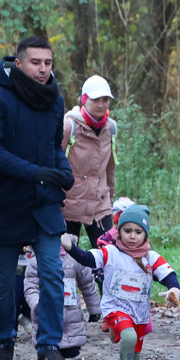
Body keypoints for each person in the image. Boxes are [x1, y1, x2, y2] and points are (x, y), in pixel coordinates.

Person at [0, 35, 75, 360]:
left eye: (48, 63)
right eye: (36, 63)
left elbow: (53, 146)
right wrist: (36, 173)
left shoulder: (54, 100)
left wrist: (63, 169)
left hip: (44, 200)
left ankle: (48, 347)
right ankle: (4, 344)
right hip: (4, 201)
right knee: (3, 281)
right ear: (18, 64)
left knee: (52, 272)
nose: (43, 69)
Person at [62, 204, 180, 360]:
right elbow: (87, 259)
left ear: (145, 235)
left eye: (138, 232)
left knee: (135, 352)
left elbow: (170, 276)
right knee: (128, 336)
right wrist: (70, 247)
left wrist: (173, 291)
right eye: (127, 231)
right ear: (119, 231)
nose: (132, 236)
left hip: (139, 313)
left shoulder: (151, 258)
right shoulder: (110, 252)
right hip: (115, 308)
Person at [62, 75, 119, 247]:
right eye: (96, 100)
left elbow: (110, 167)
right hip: (67, 203)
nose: (101, 105)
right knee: (66, 261)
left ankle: (97, 276)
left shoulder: (111, 128)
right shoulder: (68, 126)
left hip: (99, 203)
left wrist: (110, 192)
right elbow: (53, 163)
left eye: (105, 100)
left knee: (109, 255)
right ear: (84, 100)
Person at [23, 244, 103, 360]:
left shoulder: (75, 259)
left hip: (71, 316)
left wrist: (94, 309)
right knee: (47, 348)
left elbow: (87, 284)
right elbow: (31, 288)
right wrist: (37, 304)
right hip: (46, 314)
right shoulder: (36, 262)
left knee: (71, 351)